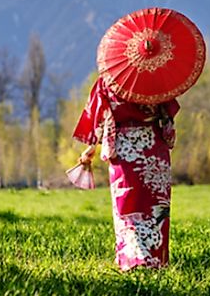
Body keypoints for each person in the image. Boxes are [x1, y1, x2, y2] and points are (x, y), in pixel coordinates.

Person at [72, 76, 180, 271]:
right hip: (153, 148)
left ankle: (131, 259)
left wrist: (91, 148)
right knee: (155, 205)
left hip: (125, 149)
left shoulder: (108, 80)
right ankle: (157, 260)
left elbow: (100, 118)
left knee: (127, 205)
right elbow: (168, 119)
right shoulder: (157, 80)